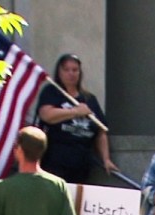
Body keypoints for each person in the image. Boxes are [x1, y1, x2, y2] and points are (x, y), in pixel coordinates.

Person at [36, 53, 117, 184]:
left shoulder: (89, 99)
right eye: (66, 70)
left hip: (82, 164)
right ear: (59, 72)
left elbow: (101, 131)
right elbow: (46, 115)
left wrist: (106, 159)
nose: (71, 74)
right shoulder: (51, 92)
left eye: (75, 70)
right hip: (55, 162)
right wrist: (75, 112)